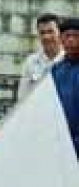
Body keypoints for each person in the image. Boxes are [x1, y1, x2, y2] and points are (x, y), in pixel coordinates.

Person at [17, 13, 63, 102]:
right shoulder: (31, 62)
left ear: (60, 33)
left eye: (50, 31)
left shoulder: (69, 60)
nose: (46, 37)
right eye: (42, 32)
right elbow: (22, 97)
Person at [51, 17, 79, 158]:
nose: (71, 40)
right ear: (61, 39)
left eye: (76, 36)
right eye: (67, 36)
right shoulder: (56, 70)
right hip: (61, 142)